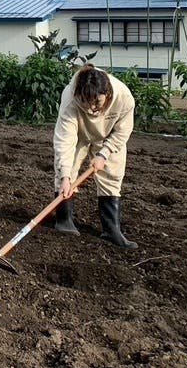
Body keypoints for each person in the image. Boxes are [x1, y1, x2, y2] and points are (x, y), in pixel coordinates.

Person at [51, 63, 137, 249]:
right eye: (87, 102)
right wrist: (66, 176)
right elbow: (64, 141)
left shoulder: (124, 98)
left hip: (107, 137)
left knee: (112, 176)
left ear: (107, 94)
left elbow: (122, 132)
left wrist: (103, 154)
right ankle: (63, 220)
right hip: (79, 135)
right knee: (66, 172)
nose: (92, 108)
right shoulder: (70, 99)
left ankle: (111, 229)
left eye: (97, 102)